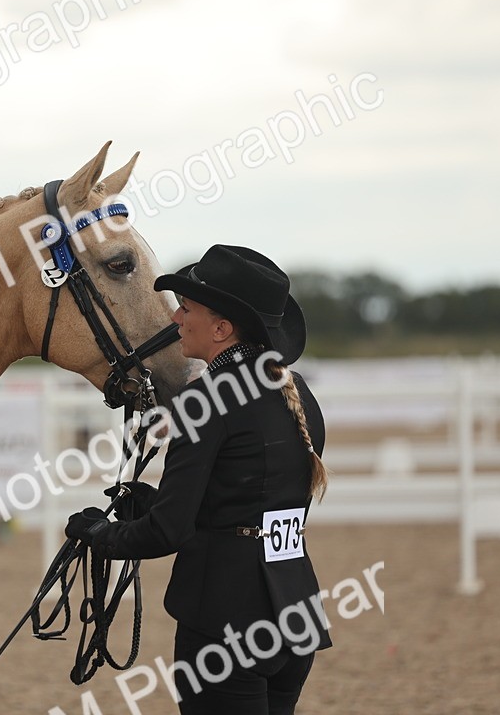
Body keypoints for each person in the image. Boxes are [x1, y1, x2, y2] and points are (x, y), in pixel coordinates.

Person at [65, 244, 331, 715]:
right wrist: (149, 503)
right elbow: (247, 505)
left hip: (225, 624)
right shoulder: (298, 392)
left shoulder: (203, 402)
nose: (175, 320)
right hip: (293, 614)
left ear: (222, 328)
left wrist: (100, 535)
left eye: (186, 309)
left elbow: (170, 531)